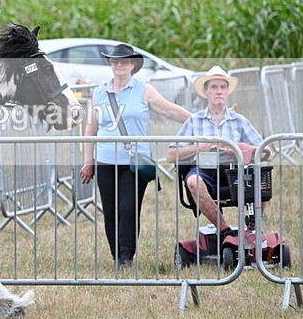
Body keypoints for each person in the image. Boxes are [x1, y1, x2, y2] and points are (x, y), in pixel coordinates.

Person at [79, 43, 191, 267]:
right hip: (105, 160)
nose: (119, 65)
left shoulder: (144, 89)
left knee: (128, 208)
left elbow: (169, 110)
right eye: (115, 61)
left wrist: (198, 121)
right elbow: (91, 128)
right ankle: (116, 256)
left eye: (124, 62)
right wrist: (88, 161)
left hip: (134, 161)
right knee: (110, 211)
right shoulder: (100, 93)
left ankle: (127, 257)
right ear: (111, 64)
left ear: (132, 65)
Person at [167, 66, 265, 237]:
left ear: (227, 92)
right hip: (205, 169)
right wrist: (201, 146)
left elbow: (265, 149)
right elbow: (171, 155)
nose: (219, 91)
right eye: (214, 87)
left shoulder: (239, 120)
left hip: (235, 171)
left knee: (263, 177)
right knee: (193, 181)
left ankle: (253, 227)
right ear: (205, 92)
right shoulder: (193, 120)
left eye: (223, 87)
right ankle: (225, 231)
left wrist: (242, 148)